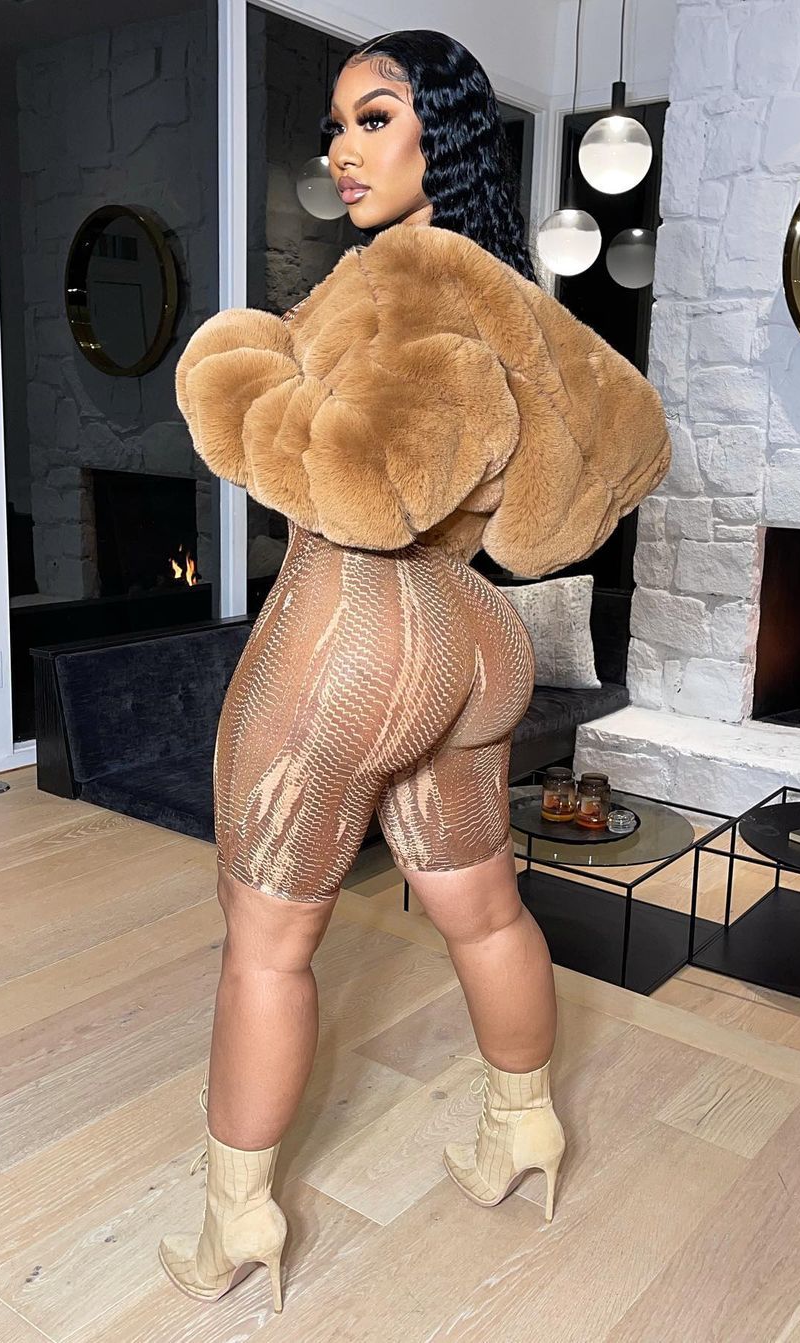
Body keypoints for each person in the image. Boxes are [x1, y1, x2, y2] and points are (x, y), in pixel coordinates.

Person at [158, 29, 672, 1314]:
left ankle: (235, 1221)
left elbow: (368, 486)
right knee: (483, 907)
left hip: (356, 634)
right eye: (337, 124)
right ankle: (524, 1124)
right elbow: (606, 462)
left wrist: (231, 365)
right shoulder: (511, 294)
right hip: (473, 636)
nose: (343, 149)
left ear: (442, 131)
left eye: (376, 117)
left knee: (264, 948)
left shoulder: (403, 278)